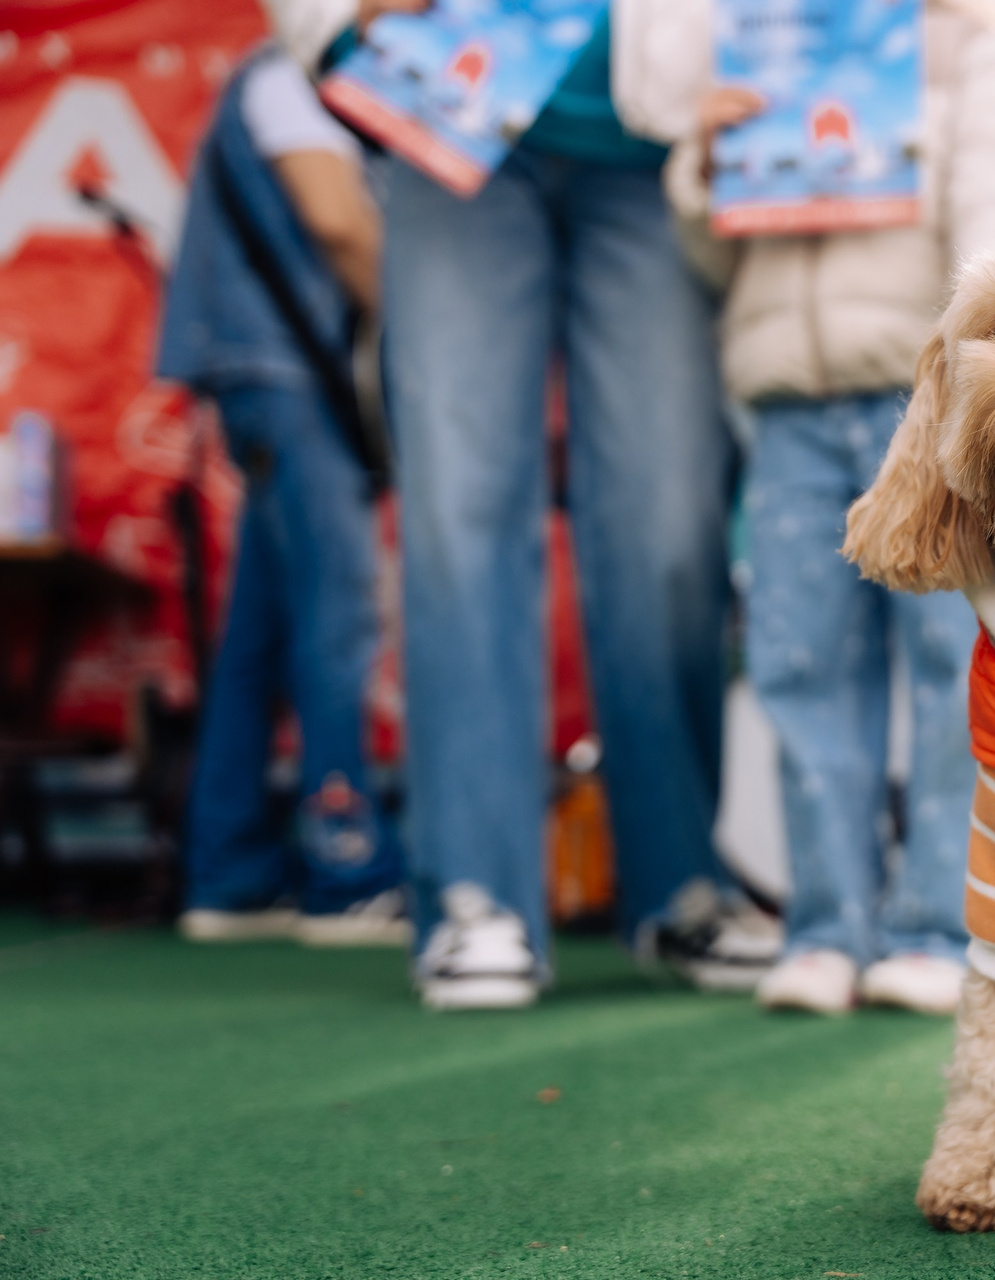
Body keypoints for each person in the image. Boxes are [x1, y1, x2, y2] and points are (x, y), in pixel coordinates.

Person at [267, 0, 773, 1007]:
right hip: (451, 111)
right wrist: (334, 19)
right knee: (459, 514)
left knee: (671, 527)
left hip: (657, 138)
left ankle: (681, 883)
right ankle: (476, 892)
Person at [668, 0, 995, 1016]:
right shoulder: (759, 41)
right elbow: (711, 259)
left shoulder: (971, 45)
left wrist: (981, 374)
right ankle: (826, 926)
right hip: (784, 401)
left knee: (952, 661)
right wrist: (704, 165)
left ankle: (938, 924)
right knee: (797, 660)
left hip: (921, 394)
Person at [158, 47, 408, 948]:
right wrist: (433, 338)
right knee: (337, 616)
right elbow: (338, 222)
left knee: (260, 629)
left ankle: (229, 871)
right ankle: (347, 869)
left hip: (283, 376)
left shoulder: (302, 78)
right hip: (285, 378)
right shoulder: (290, 75)